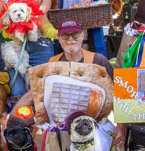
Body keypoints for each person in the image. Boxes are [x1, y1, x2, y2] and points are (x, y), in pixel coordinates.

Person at [8, 19, 122, 149]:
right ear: (59, 38)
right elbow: (32, 94)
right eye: (65, 35)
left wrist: (121, 126)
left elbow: (117, 95)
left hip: (92, 125)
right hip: (60, 129)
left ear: (82, 35)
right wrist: (9, 120)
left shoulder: (98, 61)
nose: (70, 39)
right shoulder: (52, 64)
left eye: (75, 34)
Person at [0, 0, 56, 107]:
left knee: (40, 91)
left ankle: (39, 130)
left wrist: (55, 33)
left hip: (40, 46)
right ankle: (17, 129)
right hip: (13, 47)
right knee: (17, 92)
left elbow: (42, 18)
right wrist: (12, 31)